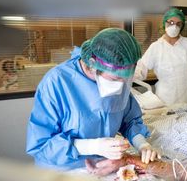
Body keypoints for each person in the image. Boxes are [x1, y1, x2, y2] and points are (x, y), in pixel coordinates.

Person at [26, 28, 161, 170]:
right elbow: (41, 145)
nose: (120, 85)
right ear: (92, 64)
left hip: (103, 166)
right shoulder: (57, 82)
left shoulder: (118, 81)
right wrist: (91, 146)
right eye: (115, 78)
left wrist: (142, 144)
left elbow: (130, 120)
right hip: (62, 170)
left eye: (125, 79)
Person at [134, 8, 187, 105]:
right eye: (171, 22)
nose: (174, 26)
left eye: (178, 24)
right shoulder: (156, 47)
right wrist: (124, 75)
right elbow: (141, 68)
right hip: (167, 99)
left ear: (182, 26)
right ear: (165, 23)